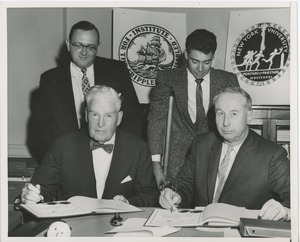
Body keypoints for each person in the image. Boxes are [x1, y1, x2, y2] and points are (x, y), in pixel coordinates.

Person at [159, 87, 290, 221]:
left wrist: (285, 211)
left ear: (249, 116)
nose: (226, 122)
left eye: (234, 114)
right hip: (200, 228)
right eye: (220, 113)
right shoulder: (201, 144)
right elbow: (184, 183)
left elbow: (294, 197)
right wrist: (174, 194)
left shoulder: (272, 155)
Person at [21, 85, 159, 207]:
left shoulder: (138, 148)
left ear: (119, 118)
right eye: (95, 114)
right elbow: (42, 190)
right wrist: (32, 198)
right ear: (86, 115)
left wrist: (128, 203)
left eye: (109, 116)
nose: (100, 123)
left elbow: (150, 194)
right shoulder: (62, 146)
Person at [147, 29, 239, 187]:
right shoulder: (168, 79)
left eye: (207, 62)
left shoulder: (227, 81)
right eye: (195, 61)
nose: (201, 69)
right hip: (176, 160)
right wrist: (156, 166)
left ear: (213, 57)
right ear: (186, 55)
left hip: (214, 155)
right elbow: (157, 121)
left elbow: (237, 122)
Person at [36, 20, 142, 148]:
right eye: (78, 45)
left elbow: (133, 117)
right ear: (68, 45)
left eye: (90, 47)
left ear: (98, 46)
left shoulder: (117, 71)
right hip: (67, 152)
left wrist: (119, 149)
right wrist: (64, 153)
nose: (84, 52)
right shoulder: (50, 79)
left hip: (110, 150)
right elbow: (44, 126)